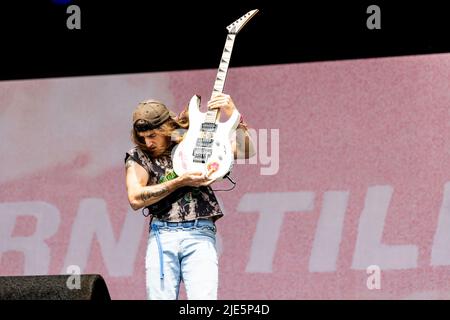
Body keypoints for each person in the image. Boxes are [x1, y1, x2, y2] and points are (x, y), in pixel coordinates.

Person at [124, 93, 255, 300]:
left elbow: (246, 151)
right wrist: (178, 181)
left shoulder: (194, 138)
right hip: (162, 233)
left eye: (152, 136)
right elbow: (135, 198)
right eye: (143, 138)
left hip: (200, 232)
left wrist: (235, 116)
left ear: (165, 128)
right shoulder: (138, 156)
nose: (148, 143)